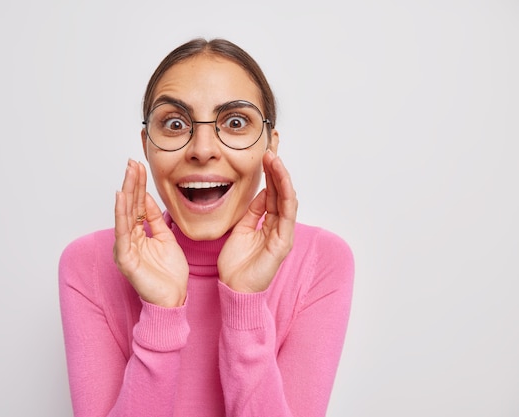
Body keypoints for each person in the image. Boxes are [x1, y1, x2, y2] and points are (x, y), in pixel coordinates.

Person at [59, 37, 354, 417]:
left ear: (270, 146)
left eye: (234, 122)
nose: (202, 148)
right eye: (175, 123)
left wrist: (244, 303)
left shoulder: (321, 261)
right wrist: (161, 315)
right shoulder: (90, 265)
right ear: (146, 143)